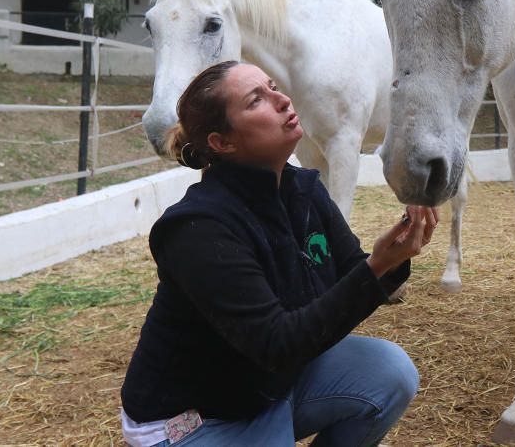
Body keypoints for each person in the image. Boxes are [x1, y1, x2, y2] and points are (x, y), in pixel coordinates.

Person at [120, 60, 438, 446]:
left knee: (389, 372)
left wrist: (395, 257)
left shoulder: (303, 191)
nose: (282, 100)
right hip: (197, 417)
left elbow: (354, 274)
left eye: (273, 87)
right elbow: (277, 345)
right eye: (257, 100)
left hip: (266, 387)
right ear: (223, 142)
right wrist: (378, 266)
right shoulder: (198, 228)